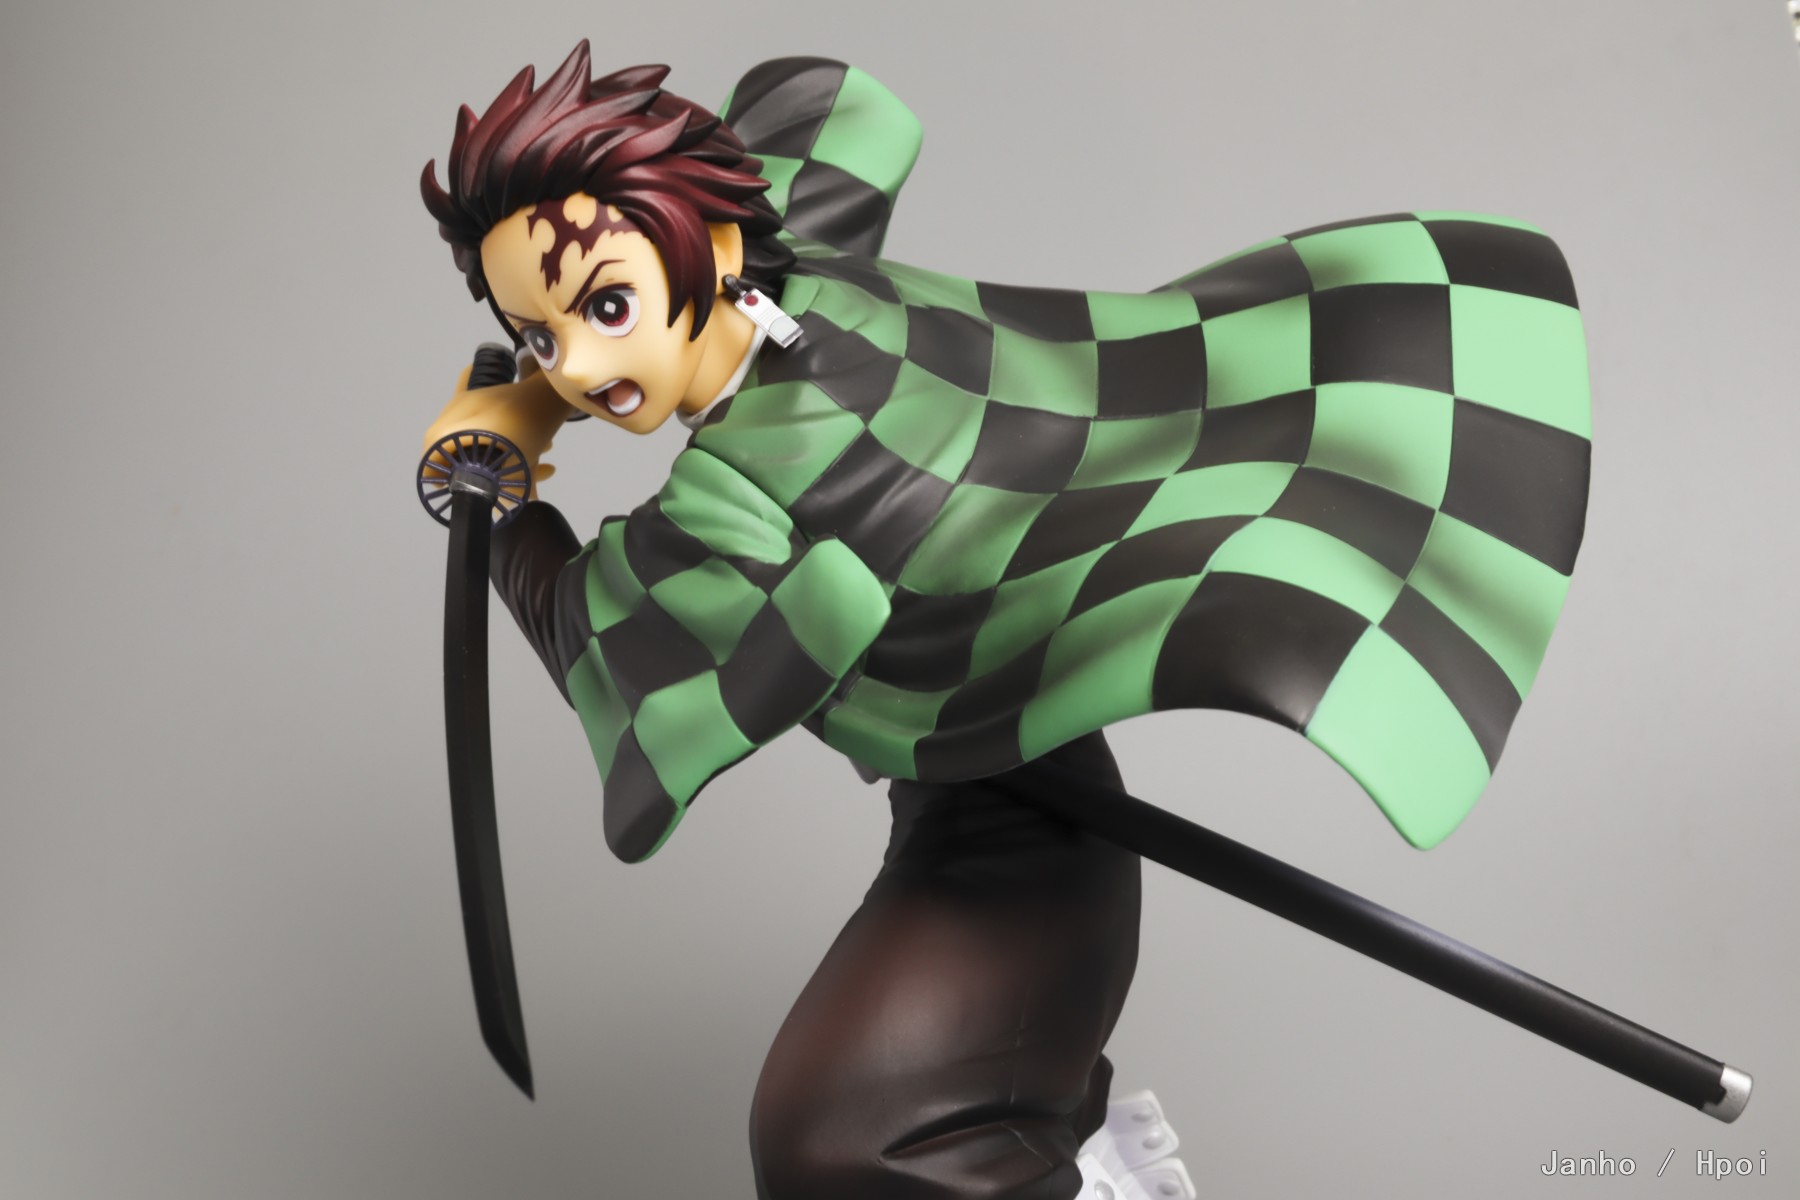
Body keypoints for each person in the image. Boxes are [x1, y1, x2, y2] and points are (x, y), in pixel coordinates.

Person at [420, 41, 1590, 1199]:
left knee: (843, 1139)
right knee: (889, 1128)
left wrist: (498, 495)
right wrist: (544, 386)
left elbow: (595, 637)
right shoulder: (807, 275)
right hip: (1021, 797)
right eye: (540, 334)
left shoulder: (747, 496)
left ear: (716, 246)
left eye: (606, 305)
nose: (579, 366)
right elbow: (835, 117)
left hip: (1021, 838)